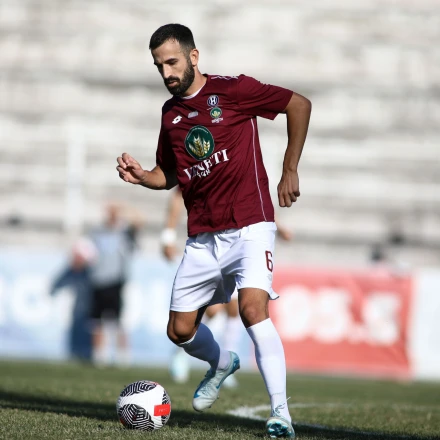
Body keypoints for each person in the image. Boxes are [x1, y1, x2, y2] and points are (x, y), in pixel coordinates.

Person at [116, 23, 311, 438]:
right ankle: (222, 363)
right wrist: (143, 177)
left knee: (253, 311)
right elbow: (169, 174)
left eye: (172, 62)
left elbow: (299, 104)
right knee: (179, 330)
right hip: (203, 237)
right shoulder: (170, 115)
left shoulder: (234, 91)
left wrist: (289, 168)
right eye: (159, 66)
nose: (166, 72)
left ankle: (281, 414)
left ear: (193, 56)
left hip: (250, 225)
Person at [162, 187, 293, 386]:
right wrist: (168, 235)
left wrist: (277, 226)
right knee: (211, 311)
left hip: (243, 243)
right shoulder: (204, 169)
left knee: (235, 309)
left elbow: (251, 200)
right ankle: (183, 351)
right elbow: (178, 195)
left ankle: (228, 364)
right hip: (211, 243)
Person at [88, 202, 143, 367]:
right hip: (97, 280)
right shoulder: (96, 232)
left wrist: (127, 211)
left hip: (116, 280)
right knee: (97, 321)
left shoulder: (124, 232)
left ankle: (122, 355)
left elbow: (139, 223)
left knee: (119, 321)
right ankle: (99, 355)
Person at [51, 237, 97, 362]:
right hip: (78, 309)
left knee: (89, 331)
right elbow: (56, 284)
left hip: (89, 309)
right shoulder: (73, 271)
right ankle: (75, 354)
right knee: (77, 330)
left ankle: (87, 355)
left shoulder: (90, 272)